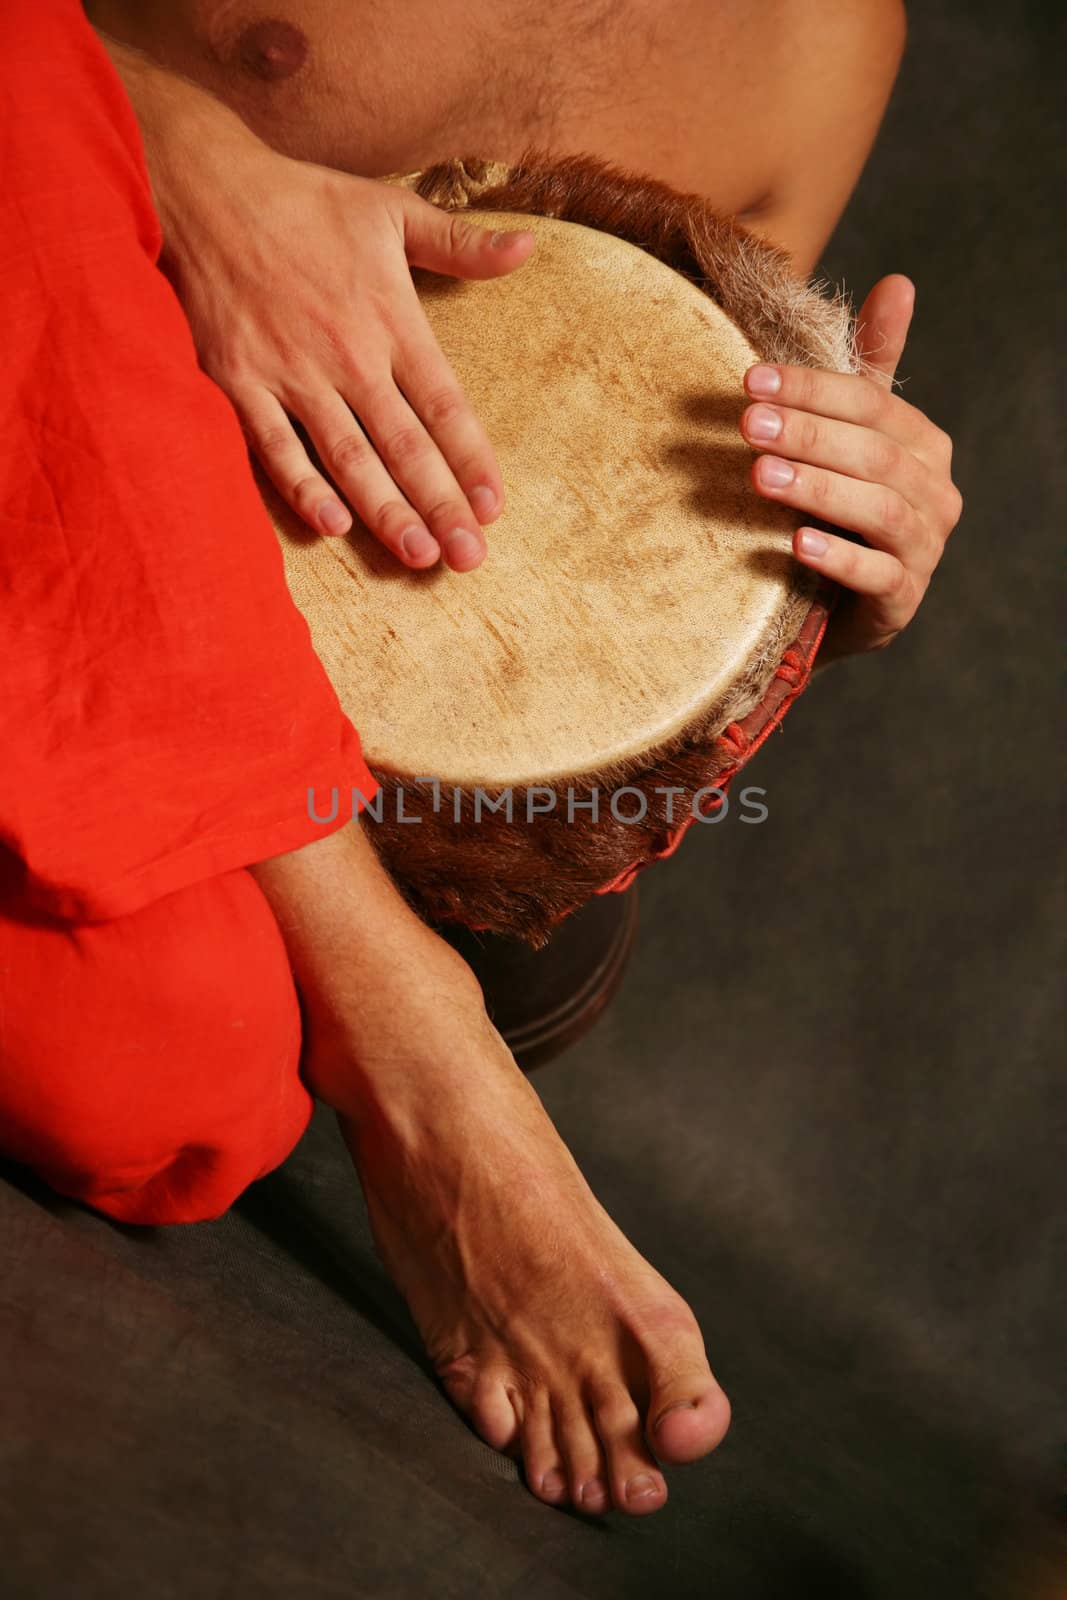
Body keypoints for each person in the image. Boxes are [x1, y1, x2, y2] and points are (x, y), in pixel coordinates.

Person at [0, 0, 961, 1522]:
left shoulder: (829, 41)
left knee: (170, 1087)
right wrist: (185, 160)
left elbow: (625, 422)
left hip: (142, 628)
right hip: (39, 313)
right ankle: (413, 1047)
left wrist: (808, 567)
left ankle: (330, 944)